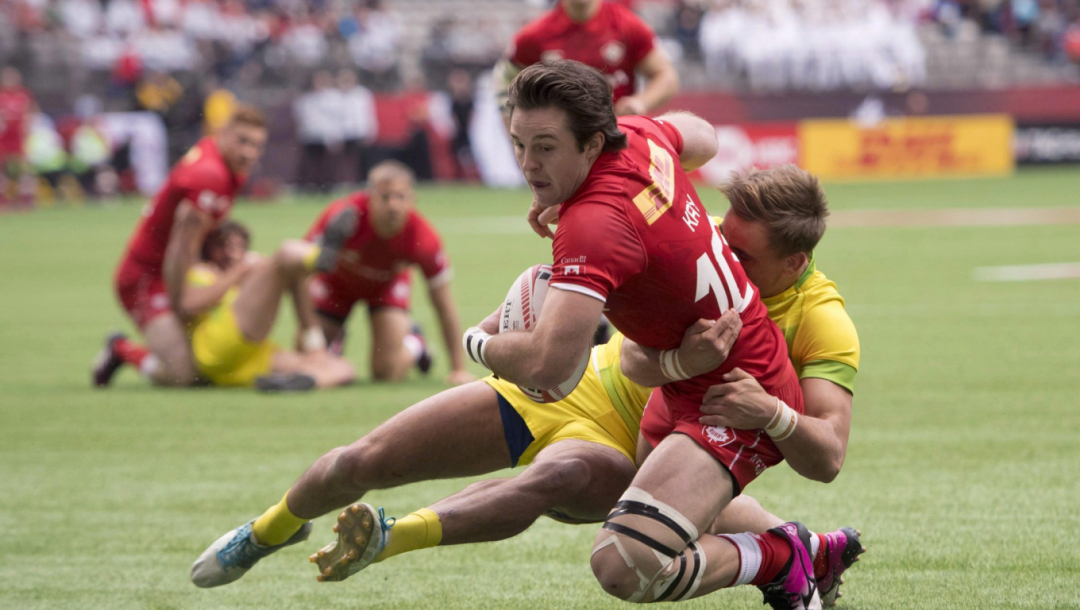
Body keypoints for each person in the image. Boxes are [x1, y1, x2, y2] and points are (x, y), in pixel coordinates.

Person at [188, 147, 859, 610]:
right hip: (576, 382)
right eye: (723, 238)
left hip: (648, 453)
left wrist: (769, 411)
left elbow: (827, 453)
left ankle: (391, 536)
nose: (723, 254)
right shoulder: (703, 238)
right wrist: (567, 223)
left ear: (794, 265)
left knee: (558, 483)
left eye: (743, 254)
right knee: (367, 457)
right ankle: (271, 526)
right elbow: (625, 340)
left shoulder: (821, 321)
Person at [466, 60, 819, 608]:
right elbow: (702, 137)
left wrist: (478, 342)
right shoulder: (637, 135)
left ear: (590, 144)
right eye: (519, 144)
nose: (527, 164)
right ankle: (794, 548)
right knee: (677, 519)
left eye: (546, 147)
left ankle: (779, 555)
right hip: (675, 386)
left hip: (737, 397)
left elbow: (550, 370)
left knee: (626, 565)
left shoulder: (593, 224)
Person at [93, 104, 266, 388]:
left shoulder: (227, 164)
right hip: (146, 278)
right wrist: (182, 303)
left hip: (177, 271)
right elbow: (180, 248)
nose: (249, 152)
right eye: (242, 141)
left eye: (257, 145)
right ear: (222, 134)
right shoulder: (210, 175)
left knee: (208, 362)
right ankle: (121, 349)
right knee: (184, 374)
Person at [95, 220, 357, 390]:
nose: (232, 253)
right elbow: (190, 304)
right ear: (208, 250)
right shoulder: (201, 272)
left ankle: (307, 380)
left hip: (251, 357)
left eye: (239, 246)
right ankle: (318, 256)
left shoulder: (249, 271)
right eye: (224, 246)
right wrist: (241, 271)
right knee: (287, 254)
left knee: (344, 368)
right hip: (220, 345)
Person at [304, 161, 473, 385]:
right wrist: (308, 327)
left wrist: (458, 369)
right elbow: (300, 268)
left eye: (400, 197)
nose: (393, 205)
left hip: (385, 288)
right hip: (336, 285)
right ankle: (335, 338)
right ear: (370, 198)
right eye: (385, 197)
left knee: (386, 372)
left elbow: (444, 305)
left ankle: (415, 343)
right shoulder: (342, 216)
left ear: (412, 199)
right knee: (305, 354)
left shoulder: (423, 239)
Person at [493, 0, 679, 120]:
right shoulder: (533, 37)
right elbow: (507, 84)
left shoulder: (628, 26)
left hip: (617, 134)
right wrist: (516, 130)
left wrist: (641, 102)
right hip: (561, 142)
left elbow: (667, 77)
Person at [0, 66, 37, 206]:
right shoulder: (1, 95)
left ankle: (26, 197)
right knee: (2, 167)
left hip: (18, 137)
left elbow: (30, 112)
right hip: (3, 137)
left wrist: (28, 129)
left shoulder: (23, 94)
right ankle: (2, 197)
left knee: (24, 167)